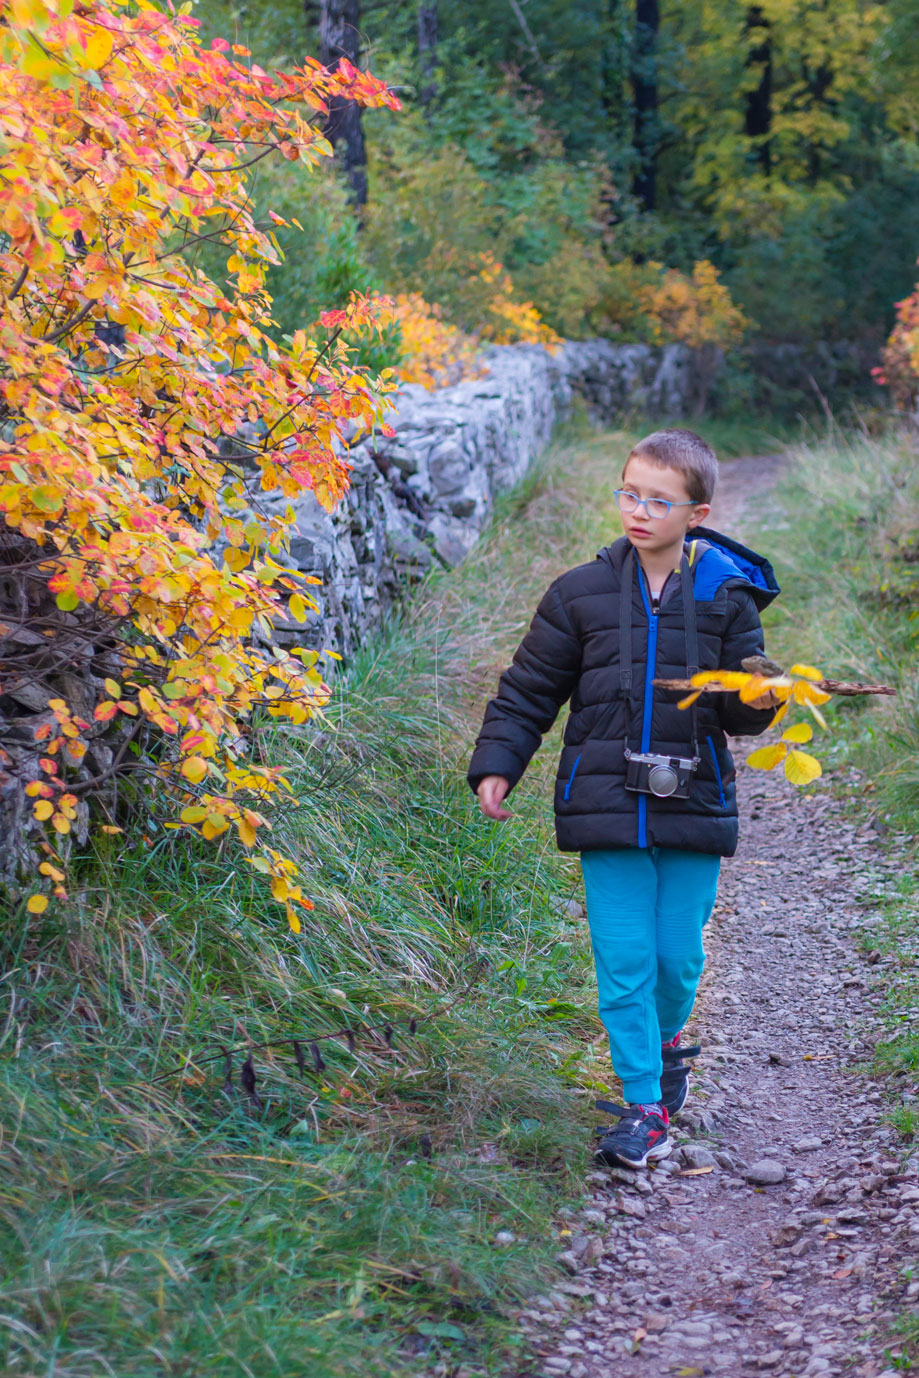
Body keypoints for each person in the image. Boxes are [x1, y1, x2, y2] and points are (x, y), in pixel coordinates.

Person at [467, 429, 780, 1168]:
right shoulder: (579, 593)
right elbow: (528, 690)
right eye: (629, 494)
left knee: (676, 958)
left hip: (694, 799)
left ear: (696, 515)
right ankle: (643, 1104)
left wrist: (761, 698)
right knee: (625, 958)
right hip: (603, 801)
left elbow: (738, 713)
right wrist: (498, 763)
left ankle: (667, 1043)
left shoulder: (726, 598)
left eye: (658, 501)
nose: (638, 511)